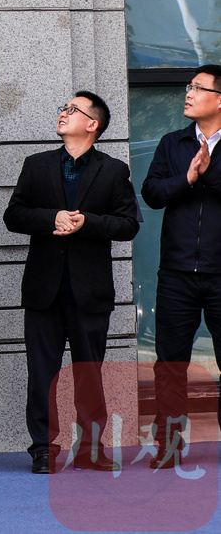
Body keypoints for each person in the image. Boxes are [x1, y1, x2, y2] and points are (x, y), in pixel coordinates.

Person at [2, 91, 138, 474]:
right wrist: (52, 218)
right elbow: (14, 215)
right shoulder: (36, 165)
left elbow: (128, 224)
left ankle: (91, 449)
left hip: (90, 291)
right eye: (63, 107)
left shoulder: (113, 170)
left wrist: (86, 222)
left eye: (72, 110)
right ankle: (44, 449)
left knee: (89, 375)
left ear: (92, 124)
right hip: (43, 289)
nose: (63, 113)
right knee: (42, 375)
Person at [141, 64, 221, 467]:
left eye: (198, 88)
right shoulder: (173, 143)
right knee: (170, 365)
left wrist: (207, 175)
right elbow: (151, 192)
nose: (188, 93)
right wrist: (186, 179)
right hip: (176, 273)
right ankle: (168, 444)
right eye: (188, 86)